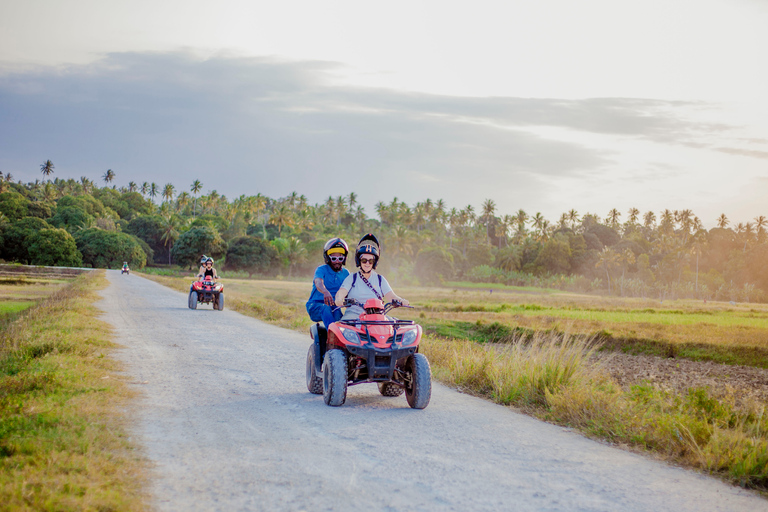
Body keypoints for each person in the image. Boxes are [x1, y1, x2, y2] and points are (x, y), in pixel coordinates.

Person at [335, 234, 408, 320]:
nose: (367, 263)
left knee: (395, 326)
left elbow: (391, 296)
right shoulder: (352, 278)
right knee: (341, 329)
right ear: (359, 261)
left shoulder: (380, 279)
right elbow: (342, 291)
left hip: (376, 317)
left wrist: (401, 300)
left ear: (375, 263)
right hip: (353, 316)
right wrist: (339, 299)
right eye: (364, 260)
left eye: (371, 261)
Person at [306, 238, 350, 330]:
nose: (337, 261)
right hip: (316, 306)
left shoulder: (346, 274)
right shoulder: (321, 269)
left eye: (340, 258)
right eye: (334, 258)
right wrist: (325, 292)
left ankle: (342, 339)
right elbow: (318, 282)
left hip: (334, 307)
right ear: (327, 258)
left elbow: (350, 290)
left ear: (344, 258)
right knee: (325, 308)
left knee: (340, 316)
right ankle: (333, 334)